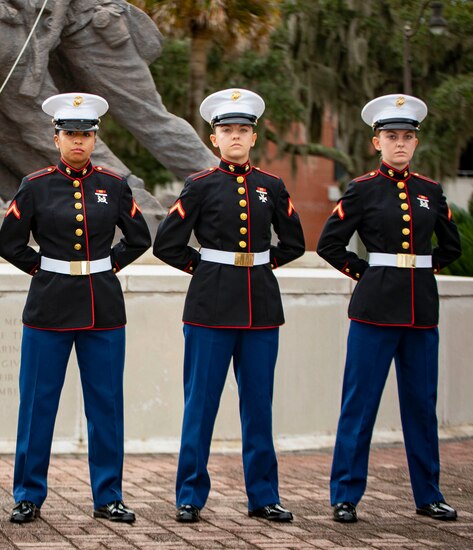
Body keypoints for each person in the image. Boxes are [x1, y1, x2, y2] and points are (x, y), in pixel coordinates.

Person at [0, 93, 151, 524]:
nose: (78, 142)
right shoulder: (36, 184)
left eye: (85, 135)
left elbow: (139, 238)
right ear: (56, 138)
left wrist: (105, 267)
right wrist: (44, 270)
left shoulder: (114, 185)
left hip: (102, 307)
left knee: (106, 404)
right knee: (37, 405)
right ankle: (28, 494)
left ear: (95, 139)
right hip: (48, 307)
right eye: (70, 135)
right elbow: (9, 243)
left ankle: (109, 495)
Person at [153, 89, 305, 524]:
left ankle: (263, 496)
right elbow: (167, 243)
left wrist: (258, 265)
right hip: (209, 309)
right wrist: (204, 269)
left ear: (253, 137)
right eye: (226, 131)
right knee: (200, 405)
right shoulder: (199, 186)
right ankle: (189, 495)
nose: (235, 137)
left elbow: (293, 242)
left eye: (242, 130)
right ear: (214, 137)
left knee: (259, 407)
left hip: (260, 309)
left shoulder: (271, 187)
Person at [317, 94, 462, 524]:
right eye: (391, 137)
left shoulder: (431, 192)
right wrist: (367, 272)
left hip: (420, 311)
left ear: (415, 144)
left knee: (421, 405)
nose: (399, 144)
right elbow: (329, 243)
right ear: (375, 143)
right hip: (373, 311)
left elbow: (450, 246)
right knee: (359, 404)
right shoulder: (361, 190)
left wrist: (419, 269)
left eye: (406, 137)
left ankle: (429, 494)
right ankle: (345, 495)